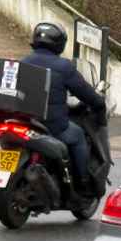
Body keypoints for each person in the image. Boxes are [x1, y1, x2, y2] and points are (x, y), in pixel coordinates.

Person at [22, 22, 105, 193]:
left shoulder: (24, 62)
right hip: (52, 125)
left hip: (25, 120)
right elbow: (85, 93)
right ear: (59, 44)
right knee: (78, 136)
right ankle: (82, 183)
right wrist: (99, 104)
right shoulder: (63, 66)